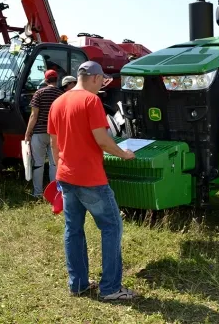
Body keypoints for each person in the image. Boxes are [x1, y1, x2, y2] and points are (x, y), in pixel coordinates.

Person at [47, 60, 138, 300]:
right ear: (96, 78)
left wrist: (60, 170)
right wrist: (124, 154)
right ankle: (111, 288)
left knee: (73, 230)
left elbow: (54, 144)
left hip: (66, 176)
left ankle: (77, 284)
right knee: (112, 227)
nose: (101, 86)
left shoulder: (58, 102)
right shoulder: (91, 101)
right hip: (90, 178)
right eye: (102, 81)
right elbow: (103, 140)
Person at [24, 69, 64, 197]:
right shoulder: (61, 94)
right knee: (54, 164)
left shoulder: (39, 93)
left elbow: (33, 116)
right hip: (55, 133)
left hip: (39, 132)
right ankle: (55, 194)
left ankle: (37, 193)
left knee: (38, 164)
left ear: (45, 80)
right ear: (57, 79)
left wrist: (27, 133)